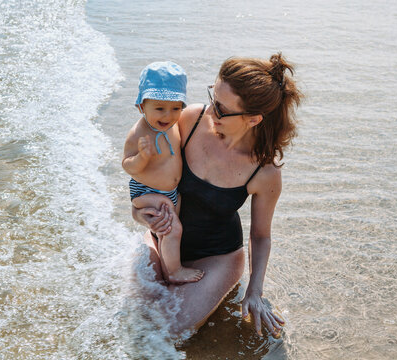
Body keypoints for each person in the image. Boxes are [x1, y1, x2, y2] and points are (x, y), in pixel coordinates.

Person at [132, 53, 302, 337]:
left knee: (170, 331)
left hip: (216, 258)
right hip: (160, 241)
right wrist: (139, 214)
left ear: (253, 119)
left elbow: (260, 236)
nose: (211, 111)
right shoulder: (190, 119)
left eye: (222, 109)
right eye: (213, 97)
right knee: (136, 320)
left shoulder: (265, 172)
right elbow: (146, 179)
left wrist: (254, 292)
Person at [122, 61, 204, 284]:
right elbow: (127, 166)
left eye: (176, 108)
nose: (168, 115)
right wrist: (142, 157)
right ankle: (174, 272)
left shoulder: (172, 125)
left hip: (171, 191)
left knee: (168, 227)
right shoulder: (138, 134)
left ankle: (162, 254)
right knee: (172, 228)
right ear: (141, 106)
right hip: (147, 190)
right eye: (159, 108)